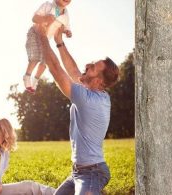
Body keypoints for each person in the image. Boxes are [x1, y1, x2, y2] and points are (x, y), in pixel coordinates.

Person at [36, 25, 119, 194]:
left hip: (93, 172)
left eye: (93, 68)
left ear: (99, 82)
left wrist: (42, 35)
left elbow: (55, 68)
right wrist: (59, 42)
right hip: (78, 172)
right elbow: (73, 70)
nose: (87, 65)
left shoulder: (88, 99)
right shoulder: (97, 94)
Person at [23, 0, 72, 93]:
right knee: (35, 58)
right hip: (35, 33)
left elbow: (66, 27)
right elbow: (34, 18)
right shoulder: (47, 6)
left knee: (45, 62)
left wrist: (67, 32)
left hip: (45, 39)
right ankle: (27, 76)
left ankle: (35, 80)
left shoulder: (66, 15)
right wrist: (45, 18)